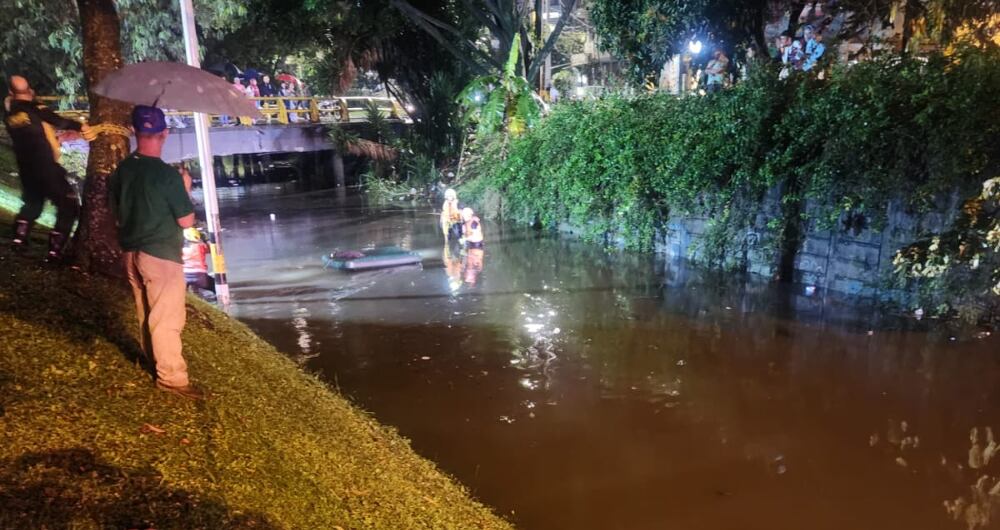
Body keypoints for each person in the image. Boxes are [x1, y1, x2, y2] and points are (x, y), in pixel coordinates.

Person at [110, 105, 203, 400]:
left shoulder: (122, 170)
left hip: (130, 253)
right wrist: (185, 188)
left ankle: (153, 363)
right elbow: (186, 221)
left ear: (134, 131)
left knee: (145, 313)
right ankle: (172, 380)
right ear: (165, 133)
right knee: (166, 319)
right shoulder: (167, 176)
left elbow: (115, 213)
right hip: (160, 255)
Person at [3, 75, 90, 260]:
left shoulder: (9, 115)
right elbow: (59, 121)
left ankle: (18, 239)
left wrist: (58, 138)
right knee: (68, 204)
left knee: (33, 202)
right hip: (46, 166)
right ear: (31, 91)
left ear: (11, 92)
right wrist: (81, 127)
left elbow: (32, 132)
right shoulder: (36, 108)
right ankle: (55, 250)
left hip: (26, 167)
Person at [182, 226, 215, 298]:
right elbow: (213, 250)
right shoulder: (201, 246)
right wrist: (206, 240)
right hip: (200, 276)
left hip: (184, 276)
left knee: (183, 295)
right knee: (216, 287)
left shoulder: (180, 249)